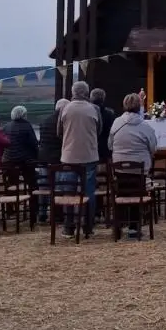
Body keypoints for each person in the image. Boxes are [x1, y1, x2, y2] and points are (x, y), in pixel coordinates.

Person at [109, 92, 158, 239]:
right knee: (137, 192)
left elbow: (110, 145)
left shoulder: (116, 123)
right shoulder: (145, 126)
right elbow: (153, 148)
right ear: (140, 107)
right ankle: (134, 228)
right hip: (139, 171)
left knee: (122, 192)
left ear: (124, 105)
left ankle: (119, 224)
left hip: (119, 170)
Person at [58, 81, 102, 239]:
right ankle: (88, 227)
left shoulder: (65, 108)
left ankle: (68, 227)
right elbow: (99, 129)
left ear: (73, 92)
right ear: (86, 92)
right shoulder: (94, 108)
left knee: (68, 190)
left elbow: (59, 131)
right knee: (88, 191)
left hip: (69, 156)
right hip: (89, 155)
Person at [37, 98, 68, 223]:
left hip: (43, 158)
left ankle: (42, 213)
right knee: (59, 187)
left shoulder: (44, 121)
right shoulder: (63, 122)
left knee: (44, 187)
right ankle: (57, 214)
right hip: (57, 159)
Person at [2, 105, 39, 192]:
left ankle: (11, 203)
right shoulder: (26, 125)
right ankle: (33, 203)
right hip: (25, 161)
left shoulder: (6, 126)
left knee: (12, 184)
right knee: (32, 183)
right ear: (23, 115)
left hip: (9, 160)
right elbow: (34, 143)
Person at [92, 88, 117, 164]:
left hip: (90, 147)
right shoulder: (110, 113)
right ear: (103, 99)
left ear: (91, 98)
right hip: (105, 148)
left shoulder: (87, 112)